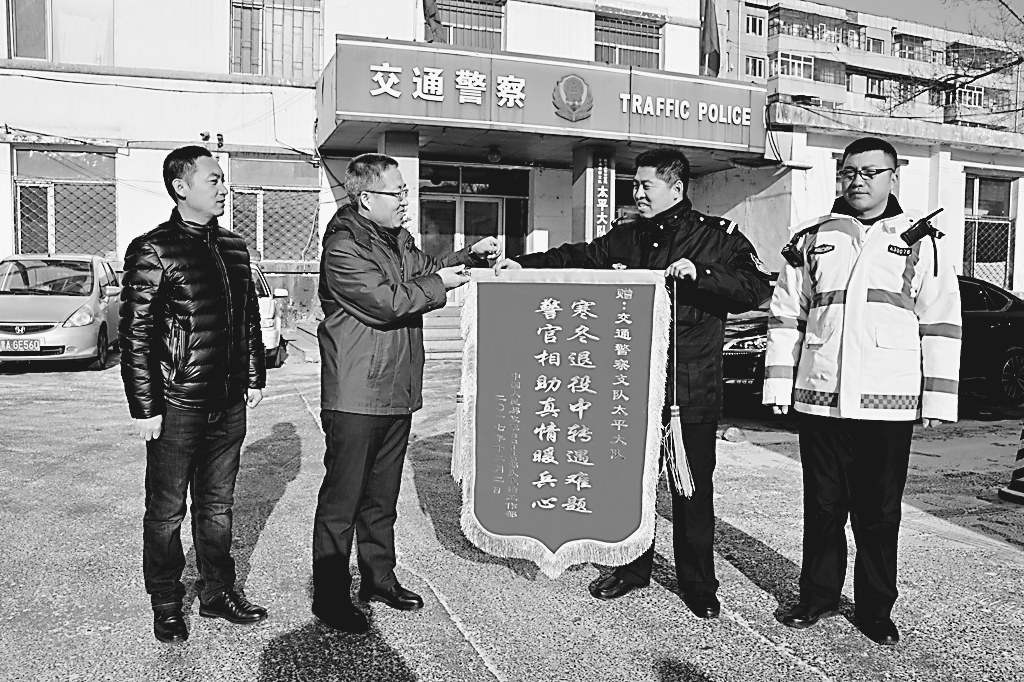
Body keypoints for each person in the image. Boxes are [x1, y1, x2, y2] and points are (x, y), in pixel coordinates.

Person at [494, 147, 772, 618]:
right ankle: (631, 568)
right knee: (628, 486)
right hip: (629, 388)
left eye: (647, 185)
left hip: (689, 391)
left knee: (690, 490)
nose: (638, 193)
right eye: (635, 185)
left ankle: (699, 584)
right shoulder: (624, 238)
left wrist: (701, 275)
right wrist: (525, 265)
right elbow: (576, 258)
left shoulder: (716, 238)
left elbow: (755, 288)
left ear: (676, 188)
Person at [763, 137, 961, 645]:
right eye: (850, 171)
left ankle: (875, 608)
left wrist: (938, 398)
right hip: (821, 397)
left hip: (887, 402)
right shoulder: (812, 238)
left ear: (894, 177)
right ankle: (818, 596)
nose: (858, 181)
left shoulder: (919, 240)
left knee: (879, 514)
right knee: (823, 507)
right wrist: (779, 383)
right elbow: (787, 315)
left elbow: (940, 321)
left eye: (871, 172)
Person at [314, 153, 500, 633]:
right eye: (396, 192)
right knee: (342, 502)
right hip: (356, 394)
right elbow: (387, 302)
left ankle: (378, 578)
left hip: (396, 389)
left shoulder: (395, 240)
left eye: (404, 192)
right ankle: (330, 596)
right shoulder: (344, 247)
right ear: (365, 198)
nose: (404, 201)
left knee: (382, 498)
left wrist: (469, 256)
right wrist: (440, 284)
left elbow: (429, 267)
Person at [119, 145, 268, 644]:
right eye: (213, 179)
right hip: (177, 403)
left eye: (223, 179)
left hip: (227, 403)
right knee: (166, 512)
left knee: (217, 506)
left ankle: (216, 592)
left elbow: (248, 320)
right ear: (181, 187)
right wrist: (145, 408)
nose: (223, 188)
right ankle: (166, 603)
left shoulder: (234, 248)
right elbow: (135, 335)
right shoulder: (154, 250)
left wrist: (253, 377)